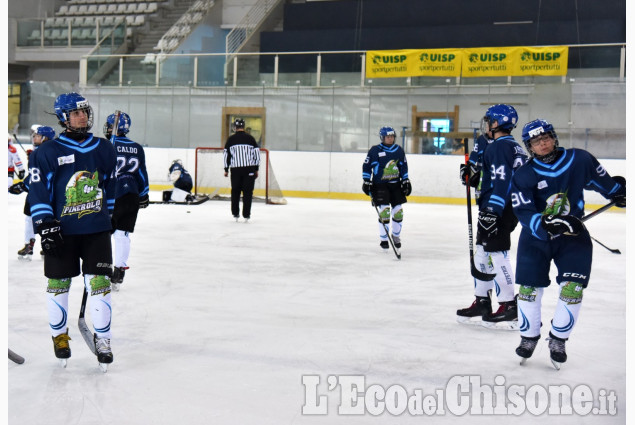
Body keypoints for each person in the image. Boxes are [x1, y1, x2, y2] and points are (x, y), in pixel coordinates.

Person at [511, 118, 625, 367]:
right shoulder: (524, 174)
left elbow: (603, 183)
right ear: (529, 146)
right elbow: (523, 210)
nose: (543, 143)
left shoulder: (580, 159)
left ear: (554, 137)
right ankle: (529, 337)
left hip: (573, 235)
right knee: (529, 290)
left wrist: (618, 191)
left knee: (573, 287)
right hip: (536, 239)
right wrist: (545, 225)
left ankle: (558, 339)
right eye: (536, 141)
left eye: (546, 138)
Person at [27, 92, 117, 368]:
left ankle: (103, 339)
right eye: (76, 113)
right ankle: (60, 336)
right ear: (63, 118)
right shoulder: (47, 152)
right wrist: (44, 224)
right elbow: (38, 191)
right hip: (61, 231)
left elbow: (109, 184)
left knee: (100, 284)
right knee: (58, 284)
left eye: (84, 112)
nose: (82, 117)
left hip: (95, 229)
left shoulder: (104, 148)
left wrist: (108, 216)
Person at [456, 104, 527, 328]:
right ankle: (482, 301)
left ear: (496, 123)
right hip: (502, 206)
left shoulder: (498, 147)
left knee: (496, 255)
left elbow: (502, 182)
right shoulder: (512, 146)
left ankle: (509, 305)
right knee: (482, 254)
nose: (486, 125)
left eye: (488, 121)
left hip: (499, 207)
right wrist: (473, 174)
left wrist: (492, 211)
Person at [104, 112, 149, 289]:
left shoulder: (108, 145)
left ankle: (102, 267)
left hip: (113, 194)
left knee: (106, 233)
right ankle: (119, 270)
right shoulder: (137, 147)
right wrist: (144, 194)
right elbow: (142, 173)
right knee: (123, 234)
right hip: (132, 194)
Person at [9, 125, 56, 260]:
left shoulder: (40, 153)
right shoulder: (47, 151)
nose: (34, 137)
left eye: (37, 135)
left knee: (37, 218)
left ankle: (39, 244)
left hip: (40, 192)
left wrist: (22, 186)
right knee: (31, 218)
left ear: (45, 138)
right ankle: (38, 244)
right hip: (44, 192)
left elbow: (37, 176)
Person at [362, 126, 412, 249]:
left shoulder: (399, 150)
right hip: (380, 186)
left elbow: (403, 166)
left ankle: (395, 236)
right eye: (387, 137)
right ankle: (384, 239)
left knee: (398, 211)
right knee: (385, 211)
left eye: (392, 136)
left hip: (395, 185)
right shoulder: (375, 150)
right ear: (382, 137)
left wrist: (405, 180)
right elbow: (367, 166)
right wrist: (367, 180)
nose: (390, 139)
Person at [223, 117, 261, 222]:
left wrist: (226, 169)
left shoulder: (230, 140)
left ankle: (235, 213)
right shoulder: (251, 139)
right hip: (249, 169)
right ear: (243, 127)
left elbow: (226, 155)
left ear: (235, 127)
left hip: (235, 170)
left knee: (235, 191)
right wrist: (256, 169)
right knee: (248, 192)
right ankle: (246, 215)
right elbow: (257, 155)